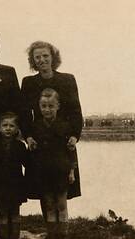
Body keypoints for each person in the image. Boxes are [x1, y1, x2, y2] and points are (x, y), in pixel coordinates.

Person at [21, 40, 82, 200]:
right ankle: (49, 225)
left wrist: (75, 136)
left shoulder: (67, 80)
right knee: (44, 193)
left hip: (63, 140)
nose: (42, 60)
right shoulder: (28, 83)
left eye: (45, 55)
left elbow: (76, 111)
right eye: (37, 57)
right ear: (33, 60)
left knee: (62, 194)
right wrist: (28, 136)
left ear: (53, 57)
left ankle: (61, 225)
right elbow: (25, 114)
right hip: (39, 140)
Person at [27, 88, 77, 239]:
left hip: (61, 171)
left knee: (61, 204)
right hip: (43, 172)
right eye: (43, 106)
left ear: (58, 106)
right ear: (39, 107)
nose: (47, 110)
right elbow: (32, 154)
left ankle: (61, 237)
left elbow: (72, 151)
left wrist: (71, 171)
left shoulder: (65, 126)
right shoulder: (35, 126)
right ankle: (51, 235)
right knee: (48, 203)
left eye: (50, 106)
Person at [0, 112, 27, 239]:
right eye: (5, 125)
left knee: (14, 211)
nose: (8, 128)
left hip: (15, 185)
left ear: (17, 129)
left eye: (12, 125)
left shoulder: (20, 146)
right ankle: (2, 238)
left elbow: (28, 164)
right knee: (1, 212)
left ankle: (14, 238)